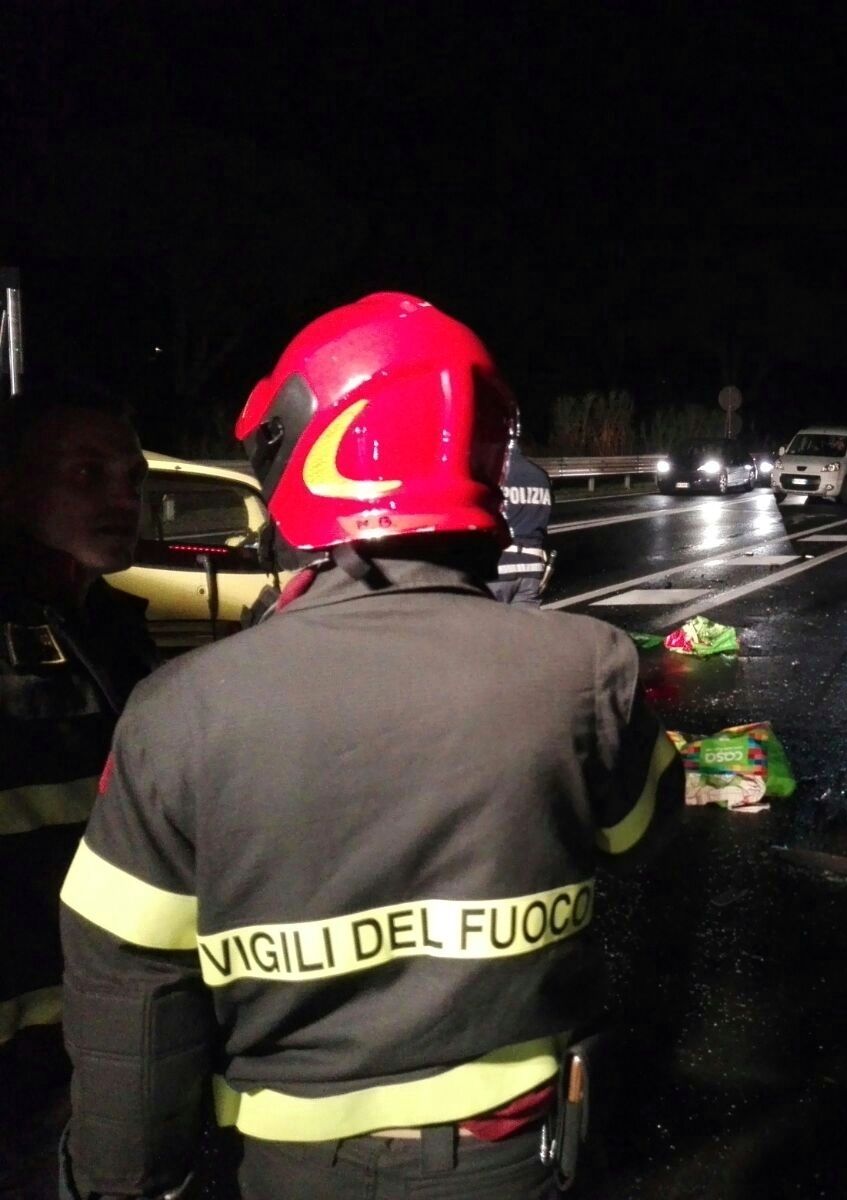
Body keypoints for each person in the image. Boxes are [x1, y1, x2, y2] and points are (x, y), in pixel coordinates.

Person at [57, 294, 684, 1200]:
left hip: (289, 1165)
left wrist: (124, 1180)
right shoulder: (589, 667)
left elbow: (132, 984)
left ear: (309, 450)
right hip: (518, 1155)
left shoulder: (176, 713)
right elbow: (642, 833)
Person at [0, 389, 156, 1189]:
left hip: (85, 1030)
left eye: (133, 479)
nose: (122, 499)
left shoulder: (112, 626)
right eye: (88, 474)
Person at [490, 442, 553, 607]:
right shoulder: (541, 476)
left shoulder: (494, 474)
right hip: (532, 567)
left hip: (499, 566)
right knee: (525, 623)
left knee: (486, 622)